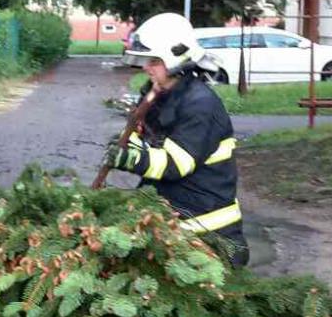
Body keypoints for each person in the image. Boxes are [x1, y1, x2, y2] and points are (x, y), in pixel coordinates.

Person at [104, 13, 249, 266]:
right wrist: (126, 144)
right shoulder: (159, 96)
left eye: (155, 61)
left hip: (209, 234)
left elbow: (175, 164)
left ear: (176, 57)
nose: (147, 67)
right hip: (171, 224)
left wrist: (131, 159)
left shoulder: (200, 105)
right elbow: (148, 142)